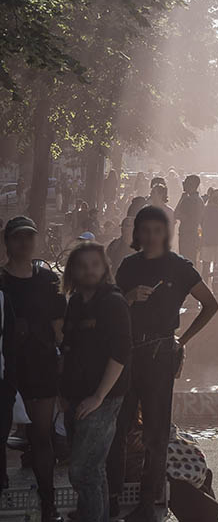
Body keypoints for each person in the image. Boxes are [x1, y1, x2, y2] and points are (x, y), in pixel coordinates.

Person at [109, 205, 218, 522]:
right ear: (138, 233)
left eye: (158, 230)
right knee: (120, 427)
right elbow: (112, 310)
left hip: (161, 352)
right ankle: (113, 498)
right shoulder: (128, 266)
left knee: (156, 434)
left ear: (166, 233)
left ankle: (148, 502)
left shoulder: (180, 267)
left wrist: (181, 340)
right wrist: (128, 298)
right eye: (146, 230)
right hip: (130, 352)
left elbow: (211, 305)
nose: (152, 236)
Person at [61, 240, 132, 522]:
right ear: (73, 271)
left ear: (104, 268)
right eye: (82, 266)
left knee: (82, 470)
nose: (89, 271)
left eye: (94, 264)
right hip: (76, 395)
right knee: (94, 468)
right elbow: (68, 347)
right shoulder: (75, 303)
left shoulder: (113, 302)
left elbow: (121, 353)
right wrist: (62, 391)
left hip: (103, 397)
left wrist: (99, 396)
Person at [1, 216, 66, 520]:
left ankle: (48, 503)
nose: (24, 243)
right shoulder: (1, 281)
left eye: (29, 236)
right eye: (18, 237)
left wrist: (65, 361)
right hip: (7, 369)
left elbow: (59, 327)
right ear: (8, 242)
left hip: (41, 367)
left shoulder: (48, 280)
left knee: (42, 437)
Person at [175, 174, 204, 263]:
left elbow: (176, 215)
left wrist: (181, 199)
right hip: (194, 235)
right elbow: (200, 223)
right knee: (192, 261)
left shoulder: (188, 200)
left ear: (191, 185)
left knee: (184, 262)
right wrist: (200, 237)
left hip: (186, 236)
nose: (183, 184)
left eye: (185, 182)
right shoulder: (199, 200)